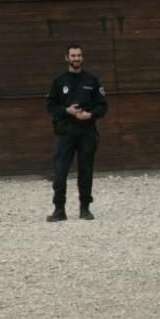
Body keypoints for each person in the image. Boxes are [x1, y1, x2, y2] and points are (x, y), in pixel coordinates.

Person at [45, 44, 108, 222]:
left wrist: (91, 114)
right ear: (66, 58)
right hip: (64, 132)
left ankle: (85, 208)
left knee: (86, 171)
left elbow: (103, 106)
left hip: (86, 131)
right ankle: (59, 210)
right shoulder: (58, 81)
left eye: (79, 55)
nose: (76, 59)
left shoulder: (92, 80)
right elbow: (50, 106)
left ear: (82, 57)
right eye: (73, 56)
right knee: (60, 172)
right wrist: (66, 111)